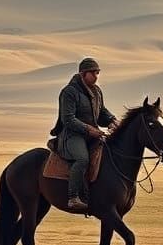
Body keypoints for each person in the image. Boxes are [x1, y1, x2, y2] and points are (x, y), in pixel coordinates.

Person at [51, 57, 119, 210]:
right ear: (83, 74)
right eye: (93, 73)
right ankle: (73, 197)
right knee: (82, 159)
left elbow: (101, 113)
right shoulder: (69, 92)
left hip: (92, 134)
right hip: (71, 136)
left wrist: (113, 121)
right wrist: (89, 129)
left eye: (98, 73)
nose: (96, 76)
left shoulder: (97, 91)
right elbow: (68, 119)